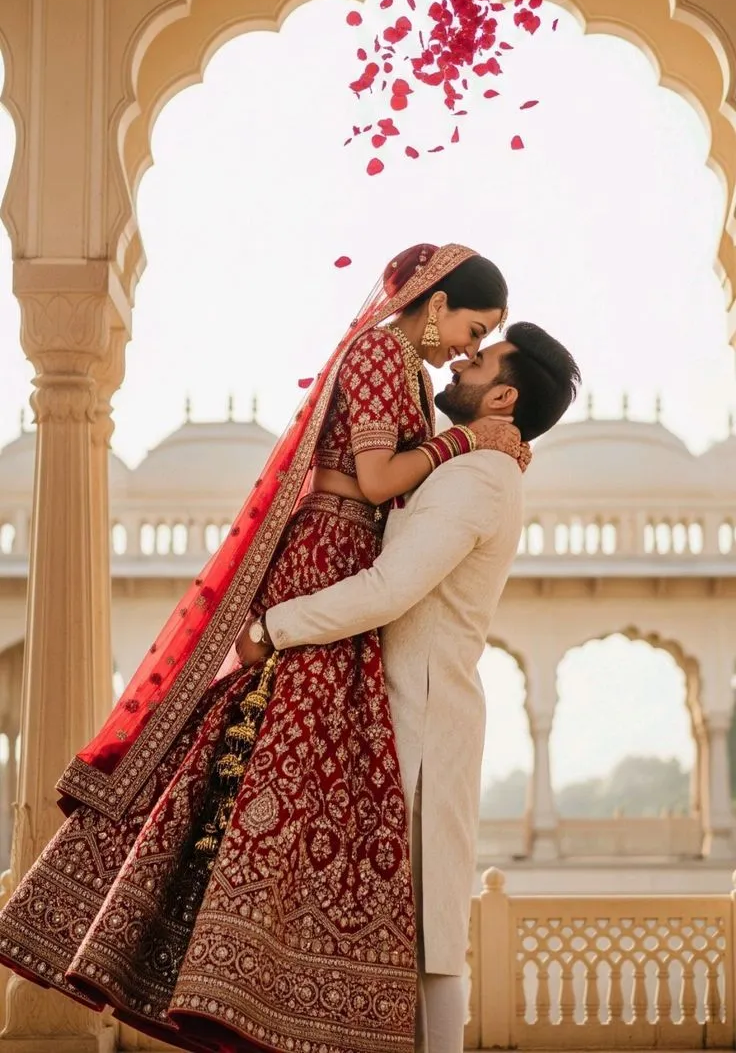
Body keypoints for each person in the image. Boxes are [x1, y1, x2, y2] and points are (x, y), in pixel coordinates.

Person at [0, 243, 524, 1053]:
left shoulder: (412, 374)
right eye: (472, 326)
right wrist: (469, 443)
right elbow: (382, 480)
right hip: (330, 557)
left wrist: (478, 447)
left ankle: (263, 983)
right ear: (437, 298)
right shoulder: (384, 350)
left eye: (484, 340)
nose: (466, 346)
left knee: (295, 782)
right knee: (271, 760)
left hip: (351, 565)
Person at [236, 323, 581, 1053]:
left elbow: (391, 588)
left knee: (430, 936)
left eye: (479, 359)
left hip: (422, 728)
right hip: (389, 720)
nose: (460, 360)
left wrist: (274, 625)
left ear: (504, 394)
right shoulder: (462, 463)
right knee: (406, 931)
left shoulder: (480, 478)